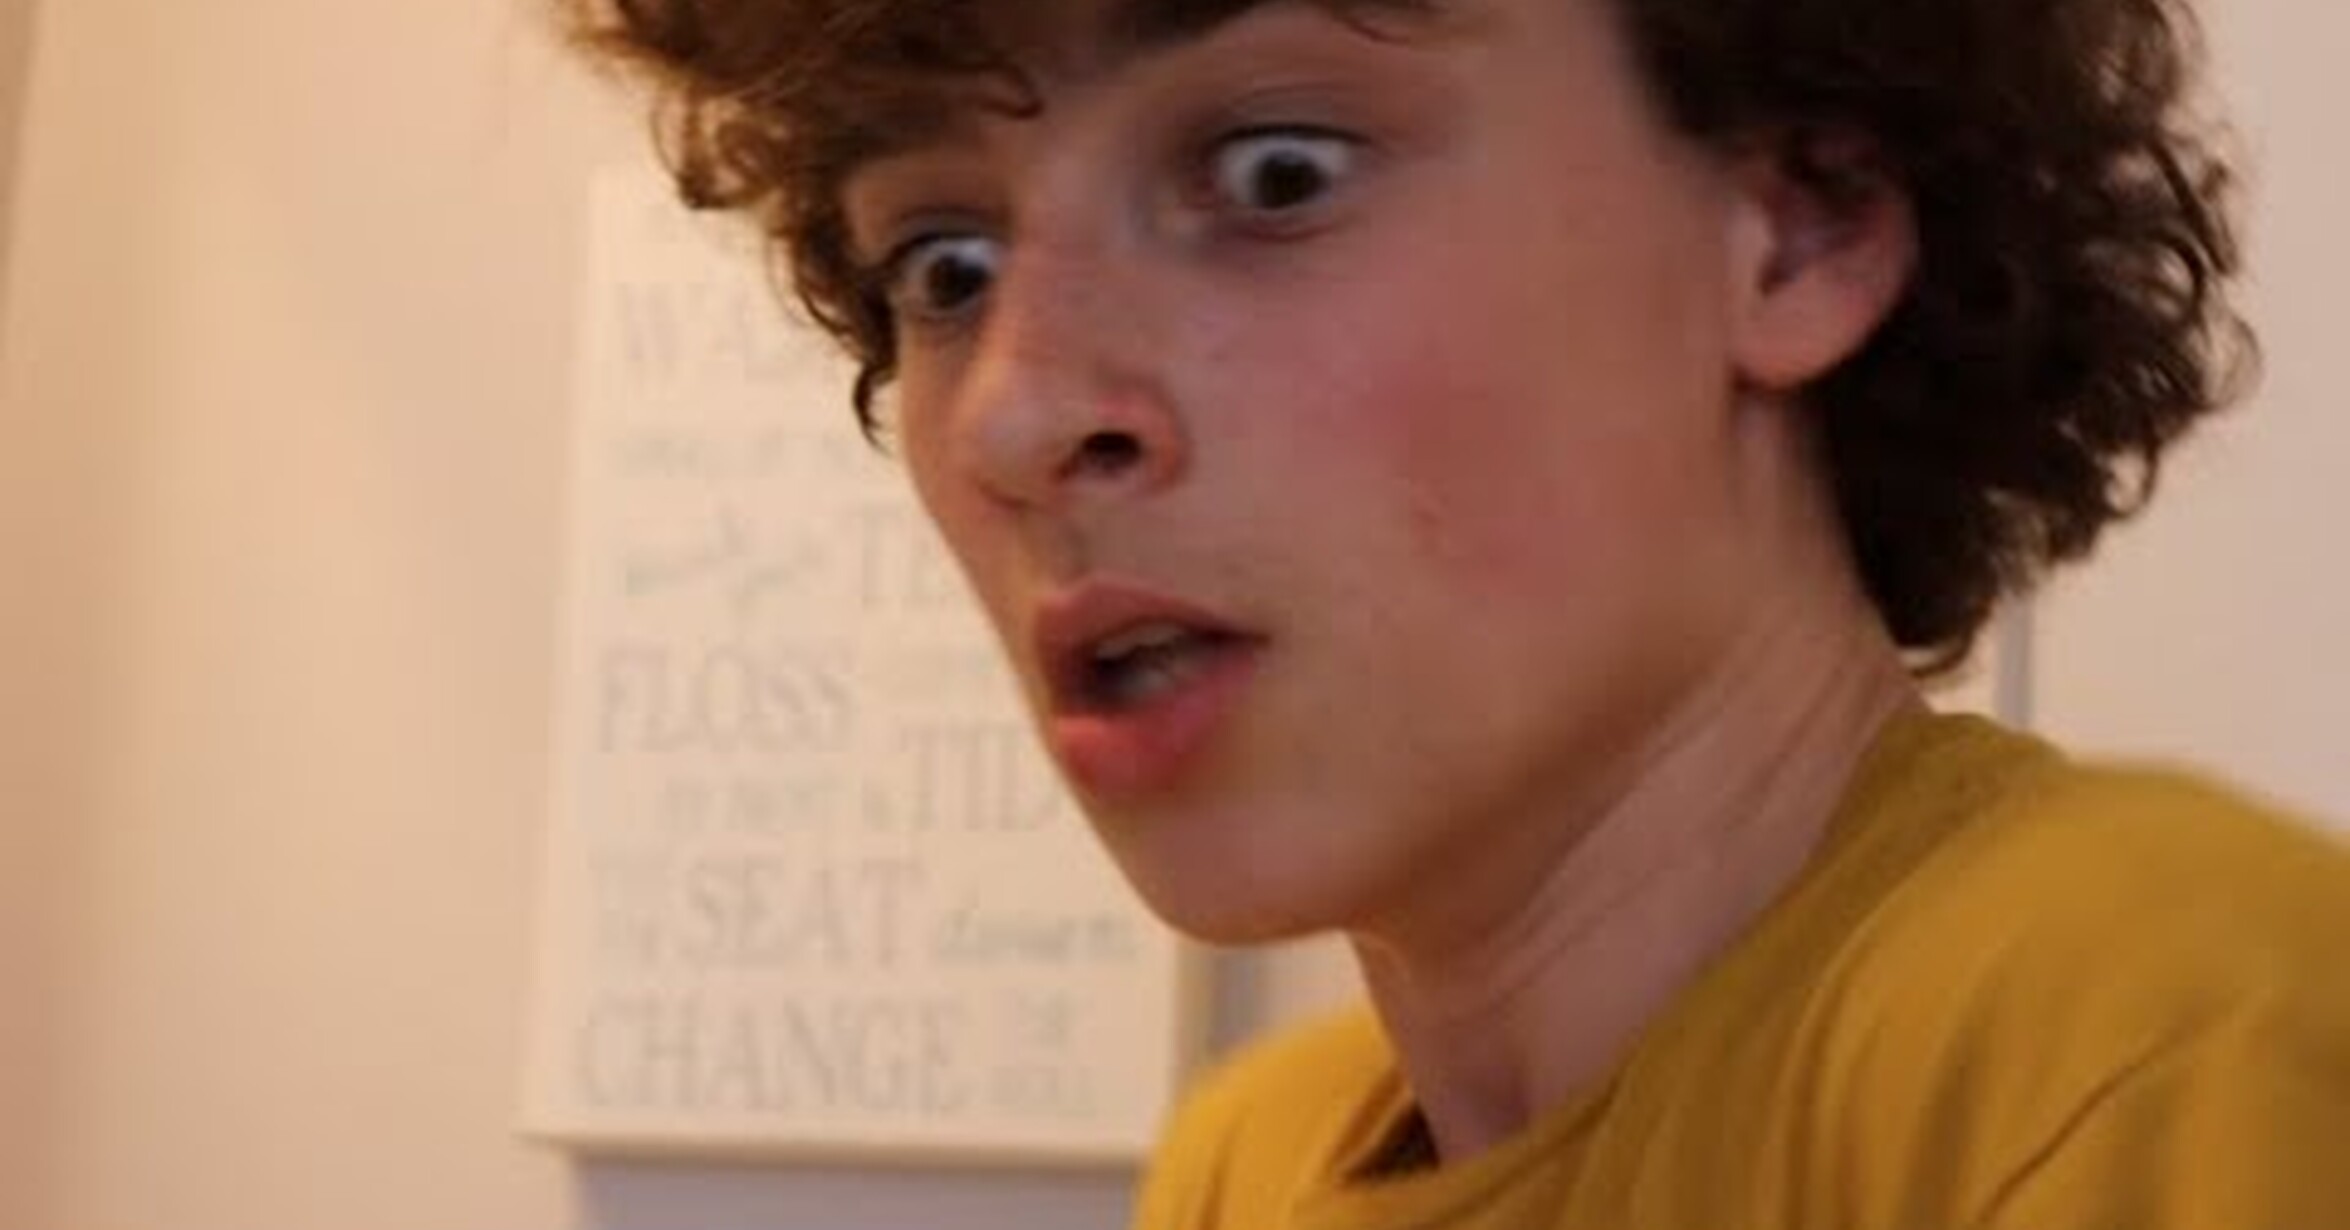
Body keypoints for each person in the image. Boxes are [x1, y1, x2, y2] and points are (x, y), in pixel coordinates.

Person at [560, 0, 2350, 1224]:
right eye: (941, 267)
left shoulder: (2146, 1035)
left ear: (1794, 228)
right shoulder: (1251, 1169)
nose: (1015, 417)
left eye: (1275, 173)